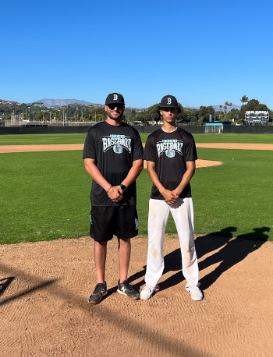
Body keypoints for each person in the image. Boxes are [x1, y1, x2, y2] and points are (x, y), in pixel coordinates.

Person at [140, 95, 203, 301]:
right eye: (166, 109)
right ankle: (151, 282)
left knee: (187, 240)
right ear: (161, 111)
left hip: (183, 196)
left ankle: (193, 283)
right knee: (155, 240)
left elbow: (191, 167)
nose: (169, 112)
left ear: (177, 112)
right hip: (158, 196)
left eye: (173, 109)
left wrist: (176, 190)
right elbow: (149, 168)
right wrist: (164, 191)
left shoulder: (186, 137)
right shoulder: (153, 138)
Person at [83, 92, 144, 304]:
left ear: (123, 108)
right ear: (106, 107)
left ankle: (123, 281)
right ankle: (101, 283)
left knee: (125, 238)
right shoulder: (95, 131)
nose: (116, 108)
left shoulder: (132, 132)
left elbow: (138, 163)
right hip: (102, 196)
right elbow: (89, 163)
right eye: (112, 105)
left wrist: (122, 186)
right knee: (100, 240)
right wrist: (109, 187)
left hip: (126, 197)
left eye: (119, 105)